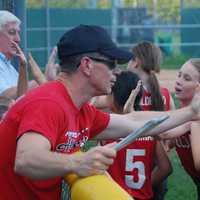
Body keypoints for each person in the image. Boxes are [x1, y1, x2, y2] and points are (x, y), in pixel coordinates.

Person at [0, 24, 200, 200]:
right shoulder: (49, 102)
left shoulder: (79, 108)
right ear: (87, 65)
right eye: (112, 63)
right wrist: (78, 161)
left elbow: (133, 121)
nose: (117, 71)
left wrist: (191, 112)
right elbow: (26, 159)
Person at [96, 70, 172, 200]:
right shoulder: (148, 129)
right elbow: (165, 168)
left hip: (113, 196)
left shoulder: (108, 128)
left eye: (109, 94)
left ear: (115, 97)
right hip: (142, 196)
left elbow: (97, 167)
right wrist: (145, 184)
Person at [127, 41, 174, 199]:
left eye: (129, 59)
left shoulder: (126, 94)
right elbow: (171, 137)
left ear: (136, 62)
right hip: (157, 170)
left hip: (128, 170)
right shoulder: (165, 95)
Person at [0, 10, 35, 99]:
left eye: (18, 32)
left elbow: (21, 96)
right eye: (12, 32)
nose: (18, 39)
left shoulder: (8, 65)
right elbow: (4, 97)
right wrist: (41, 81)